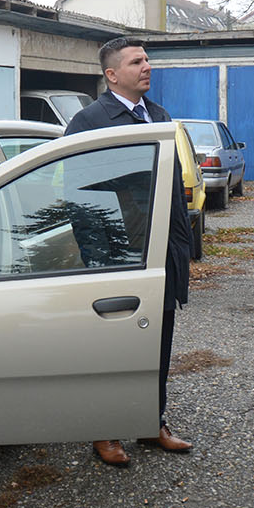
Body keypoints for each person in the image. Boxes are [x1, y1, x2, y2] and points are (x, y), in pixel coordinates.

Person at [65, 36, 194, 466]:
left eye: (148, 59)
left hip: (160, 252)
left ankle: (151, 421)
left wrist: (182, 244)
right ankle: (106, 429)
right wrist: (98, 259)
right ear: (111, 74)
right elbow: (79, 197)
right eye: (137, 61)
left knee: (157, 342)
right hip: (117, 256)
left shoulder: (158, 116)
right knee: (113, 346)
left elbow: (172, 188)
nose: (147, 66)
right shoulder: (90, 122)